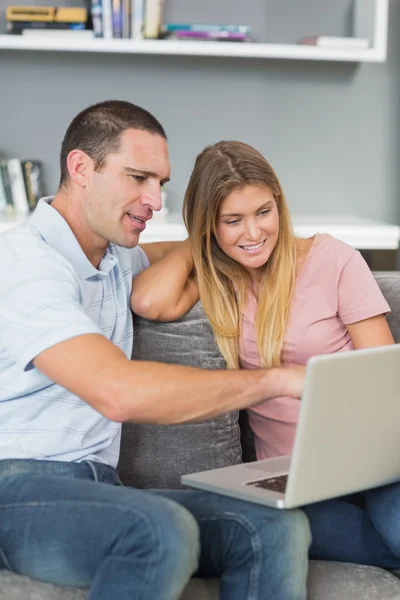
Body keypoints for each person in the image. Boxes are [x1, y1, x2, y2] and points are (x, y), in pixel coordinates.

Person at [0, 102, 311, 600]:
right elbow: (115, 391)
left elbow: (181, 252)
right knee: (160, 528)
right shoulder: (23, 265)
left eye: (160, 184)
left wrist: (222, 233)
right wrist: (277, 379)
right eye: (138, 178)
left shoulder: (115, 258)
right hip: (14, 488)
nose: (153, 200)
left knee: (273, 526)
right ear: (81, 169)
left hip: (99, 490)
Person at [132, 139, 400, 571]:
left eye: (263, 212)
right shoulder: (221, 277)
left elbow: (385, 381)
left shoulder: (334, 260)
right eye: (232, 221)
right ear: (209, 226)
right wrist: (196, 244)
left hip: (377, 464)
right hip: (296, 482)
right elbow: (149, 301)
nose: (254, 234)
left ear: (279, 204)